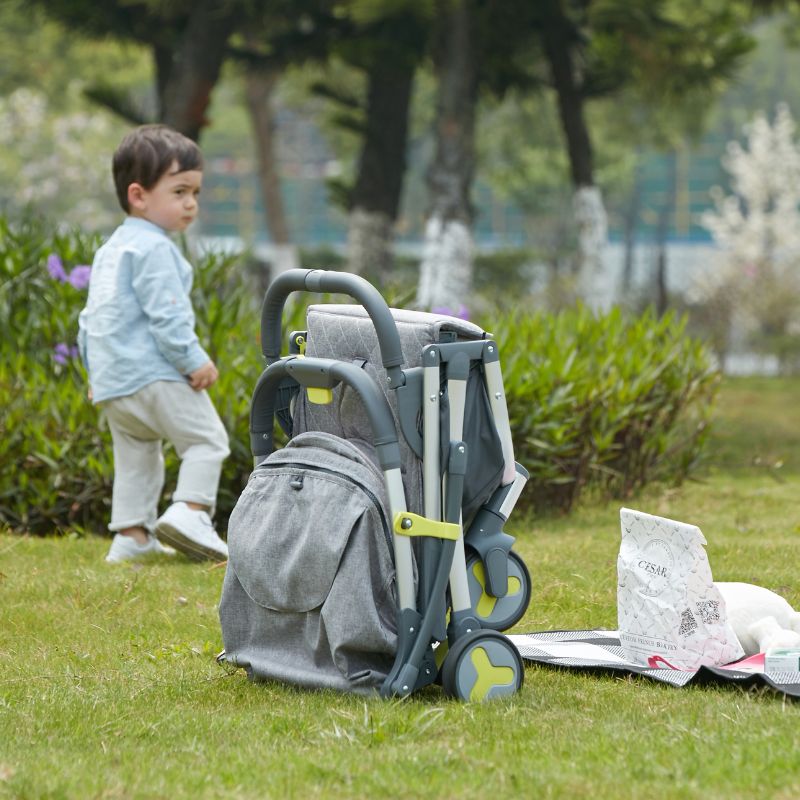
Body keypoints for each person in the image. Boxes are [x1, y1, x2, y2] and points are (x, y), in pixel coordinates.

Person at [78, 124, 230, 564]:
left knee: (137, 458)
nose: (191, 204)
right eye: (180, 191)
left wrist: (95, 374)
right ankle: (190, 511)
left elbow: (90, 319)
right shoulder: (156, 249)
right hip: (154, 374)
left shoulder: (111, 250)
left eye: (196, 193)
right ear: (139, 195)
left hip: (114, 382)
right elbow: (168, 315)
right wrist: (193, 361)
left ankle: (132, 538)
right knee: (207, 441)